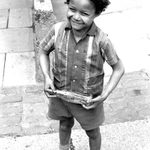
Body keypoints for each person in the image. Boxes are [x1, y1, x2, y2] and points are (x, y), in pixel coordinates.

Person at [40, 0, 125, 149]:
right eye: (72, 9)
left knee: (93, 133)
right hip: (60, 95)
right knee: (64, 125)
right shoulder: (57, 30)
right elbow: (43, 51)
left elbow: (118, 68)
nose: (76, 17)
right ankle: (64, 147)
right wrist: (47, 77)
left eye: (84, 13)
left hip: (88, 101)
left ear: (96, 14)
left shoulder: (101, 41)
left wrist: (104, 94)